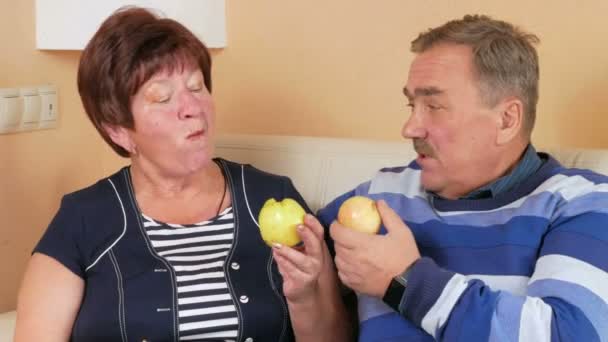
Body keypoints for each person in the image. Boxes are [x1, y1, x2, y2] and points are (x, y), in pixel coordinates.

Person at [15, 7, 349, 342]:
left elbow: (335, 339)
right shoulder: (82, 218)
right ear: (119, 131)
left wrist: (305, 297)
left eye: (197, 86)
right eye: (162, 97)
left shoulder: (272, 195)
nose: (193, 107)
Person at [318, 14, 608, 341]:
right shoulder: (384, 192)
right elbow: (282, 264)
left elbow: (569, 334)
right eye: (411, 104)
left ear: (506, 120)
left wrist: (404, 282)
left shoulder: (583, 203)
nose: (410, 128)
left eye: (434, 105)